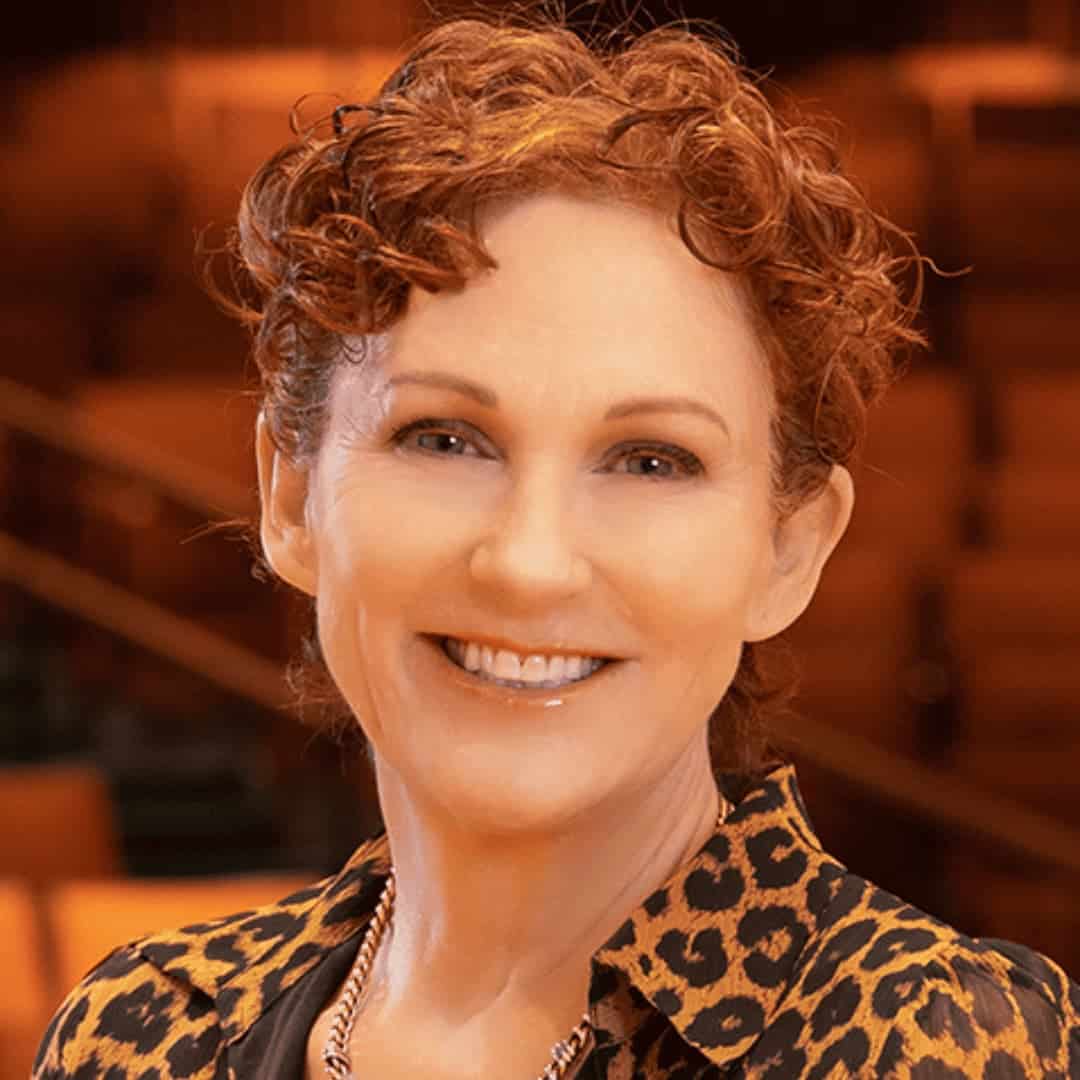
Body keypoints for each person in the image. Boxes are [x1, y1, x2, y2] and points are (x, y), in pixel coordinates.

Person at [34, 13, 1079, 1080]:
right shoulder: (143, 1032)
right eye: (443, 438)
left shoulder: (926, 1043)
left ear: (789, 551)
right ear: (292, 497)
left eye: (650, 461)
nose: (529, 563)